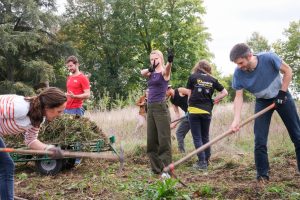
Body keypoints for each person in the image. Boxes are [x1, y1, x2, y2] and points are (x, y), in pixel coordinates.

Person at [229, 43, 300, 182]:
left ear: (249, 56)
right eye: (236, 64)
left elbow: (288, 71)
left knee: (297, 135)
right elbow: (238, 96)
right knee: (259, 140)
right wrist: (236, 120)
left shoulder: (269, 58)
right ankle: (262, 176)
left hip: (282, 96)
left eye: (241, 62)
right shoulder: (238, 73)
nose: (239, 66)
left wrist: (282, 93)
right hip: (262, 101)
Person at [0, 87, 67, 200]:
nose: (60, 115)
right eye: (59, 111)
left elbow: (30, 140)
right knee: (6, 165)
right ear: (47, 106)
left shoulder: (38, 119)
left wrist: (50, 149)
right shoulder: (20, 107)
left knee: (7, 165)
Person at [186, 60, 228, 170]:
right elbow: (225, 92)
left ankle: (202, 162)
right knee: (205, 136)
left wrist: (188, 108)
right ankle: (207, 159)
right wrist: (213, 100)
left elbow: (189, 94)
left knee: (197, 137)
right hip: (207, 111)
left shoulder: (192, 77)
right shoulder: (213, 79)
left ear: (197, 67)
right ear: (208, 69)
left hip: (194, 110)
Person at [141, 49, 173, 175]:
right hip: (150, 107)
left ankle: (167, 171)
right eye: (151, 59)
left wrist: (170, 62)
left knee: (164, 141)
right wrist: (150, 68)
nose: (153, 61)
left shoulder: (164, 72)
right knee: (151, 141)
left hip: (160, 108)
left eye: (156, 58)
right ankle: (156, 169)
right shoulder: (150, 72)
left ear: (161, 58)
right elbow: (142, 72)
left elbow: (167, 70)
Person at [166, 85, 190, 153]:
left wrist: (191, 107)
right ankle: (182, 153)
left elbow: (191, 93)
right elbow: (177, 114)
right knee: (179, 133)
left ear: (168, 89)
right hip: (187, 115)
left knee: (197, 135)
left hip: (194, 112)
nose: (164, 94)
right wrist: (174, 124)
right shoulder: (172, 100)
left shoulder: (179, 90)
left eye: (164, 92)